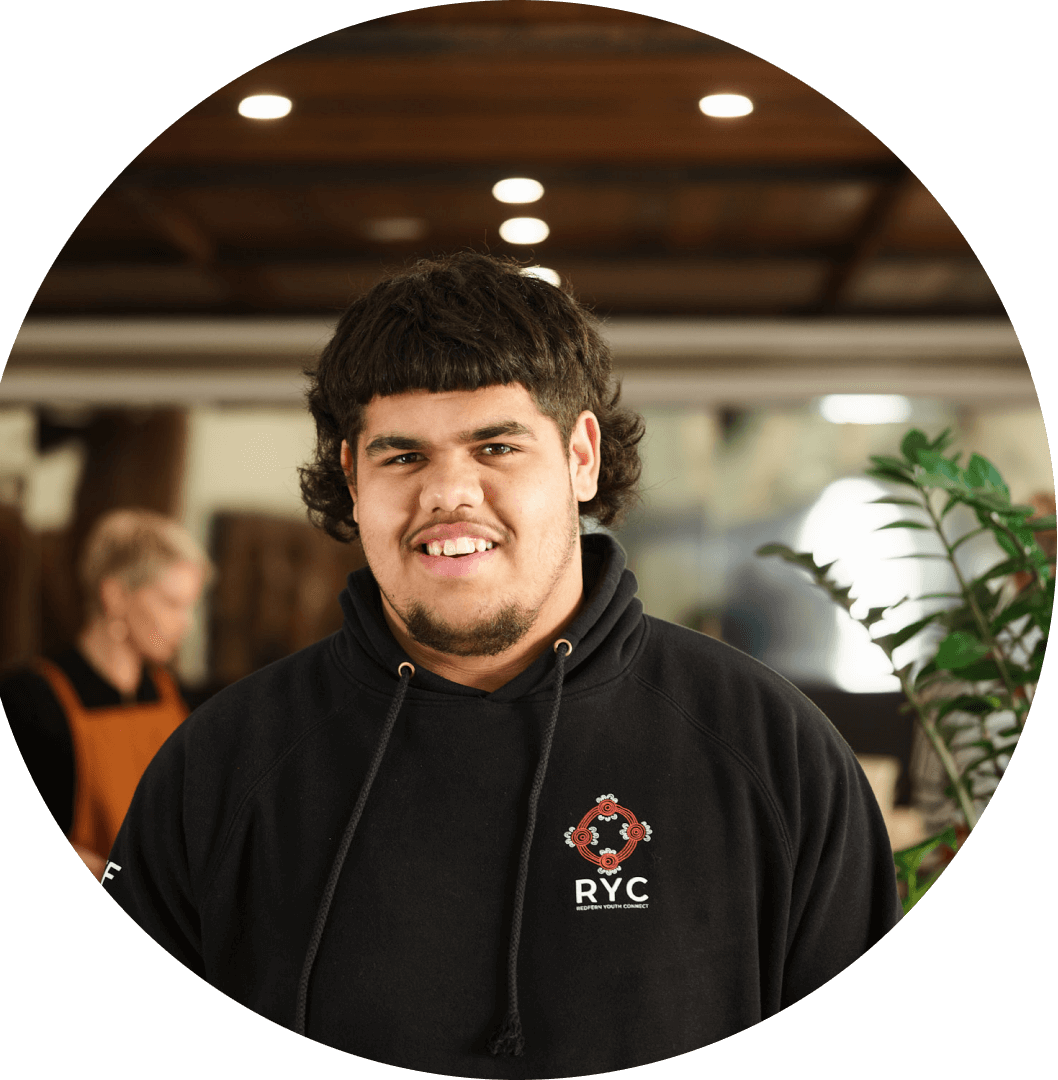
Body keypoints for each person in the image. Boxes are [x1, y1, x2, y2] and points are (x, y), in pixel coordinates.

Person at [103, 252, 901, 1076]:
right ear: (351, 476)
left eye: (495, 446)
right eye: (401, 456)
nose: (448, 493)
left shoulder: (773, 752)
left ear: (580, 456)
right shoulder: (221, 765)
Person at [0, 508, 211, 877]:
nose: (187, 624)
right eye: (172, 603)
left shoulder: (172, 694)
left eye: (190, 605)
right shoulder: (28, 701)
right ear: (114, 595)